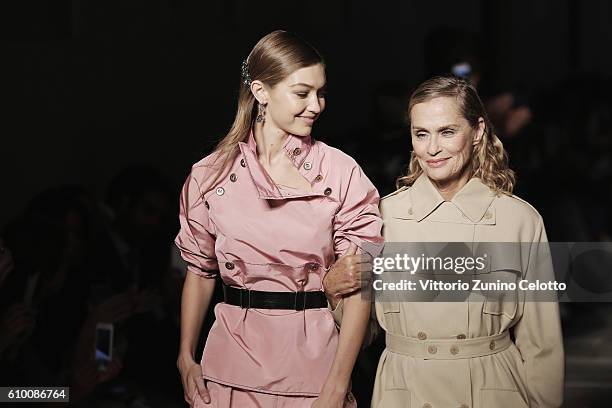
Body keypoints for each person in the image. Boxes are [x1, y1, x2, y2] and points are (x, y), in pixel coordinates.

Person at [325, 76, 564, 407]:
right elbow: (364, 334)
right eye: (421, 134)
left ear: (478, 131)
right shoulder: (382, 218)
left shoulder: (519, 221)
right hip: (404, 391)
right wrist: (335, 292)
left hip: (493, 390)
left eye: (447, 132)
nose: (432, 148)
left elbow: (542, 344)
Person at [175, 30, 383, 408]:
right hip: (227, 370)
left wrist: (337, 385)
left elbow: (359, 285)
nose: (316, 105)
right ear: (260, 92)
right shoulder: (209, 175)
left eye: (321, 93)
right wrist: (185, 357)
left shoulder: (340, 172)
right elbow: (200, 270)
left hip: (315, 370)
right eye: (302, 93)